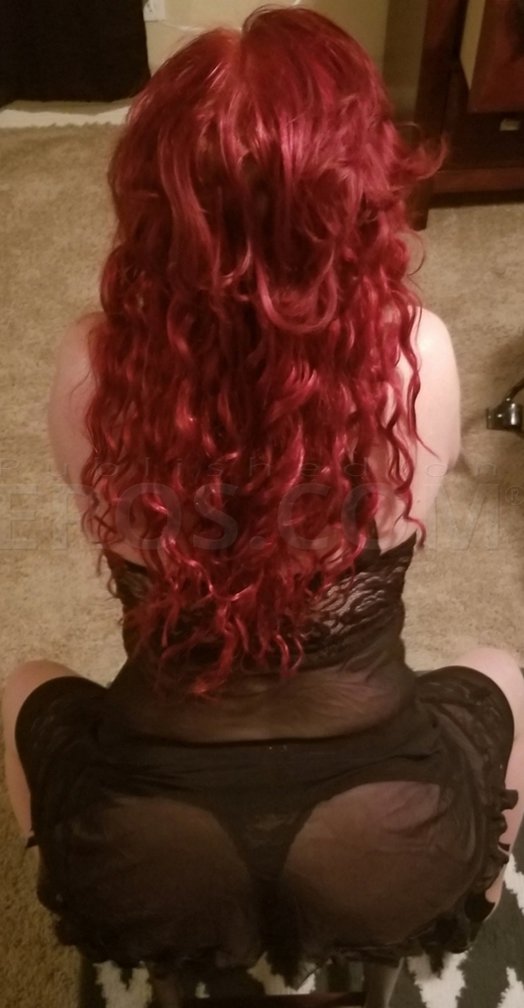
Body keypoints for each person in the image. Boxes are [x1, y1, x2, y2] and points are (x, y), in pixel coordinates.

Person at [3, 8, 524, 1007]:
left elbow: (100, 508)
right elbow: (414, 513)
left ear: (153, 199)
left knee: (23, 681)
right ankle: (431, 917)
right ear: (354, 192)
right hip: (385, 831)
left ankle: (170, 953)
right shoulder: (418, 352)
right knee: (505, 671)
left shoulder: (89, 364)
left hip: (150, 844)